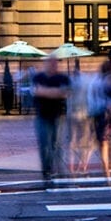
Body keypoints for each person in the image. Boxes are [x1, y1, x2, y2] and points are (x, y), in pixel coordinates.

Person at [31, 54, 72, 185]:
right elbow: (37, 91)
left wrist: (46, 91)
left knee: (57, 145)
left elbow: (65, 93)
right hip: (42, 116)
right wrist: (55, 92)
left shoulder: (63, 78)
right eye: (50, 62)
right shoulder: (39, 77)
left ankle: (59, 169)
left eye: (55, 62)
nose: (53, 64)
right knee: (45, 145)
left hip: (58, 116)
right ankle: (47, 171)